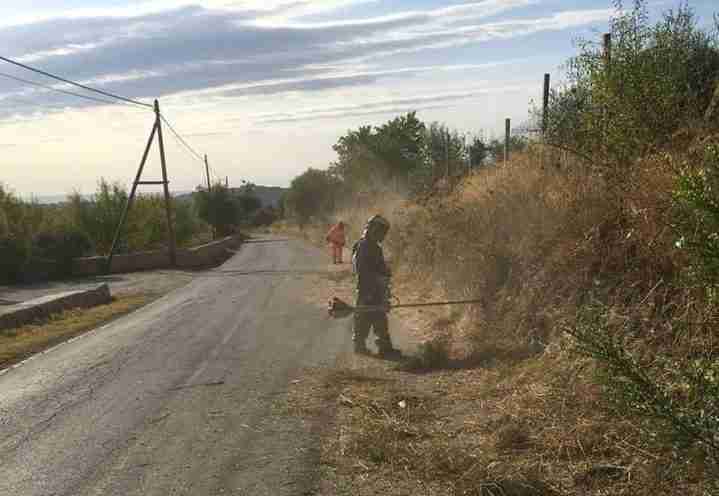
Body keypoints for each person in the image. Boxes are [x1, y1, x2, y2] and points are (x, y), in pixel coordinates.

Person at [351, 214, 401, 357]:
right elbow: (363, 271)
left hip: (372, 287)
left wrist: (384, 276)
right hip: (368, 288)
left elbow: (376, 268)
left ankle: (373, 347)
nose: (383, 235)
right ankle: (375, 347)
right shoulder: (365, 246)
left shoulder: (371, 246)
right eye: (382, 232)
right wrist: (378, 282)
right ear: (373, 229)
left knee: (374, 317)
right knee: (368, 317)